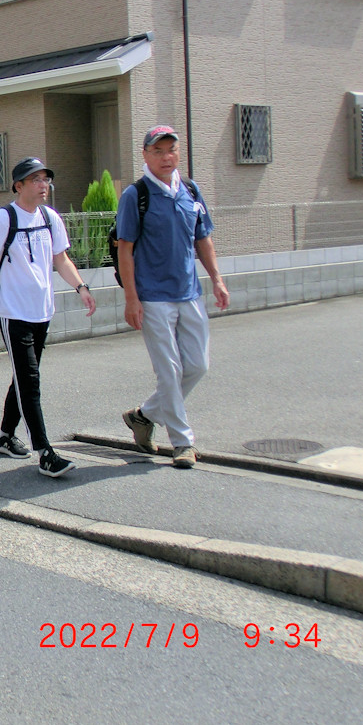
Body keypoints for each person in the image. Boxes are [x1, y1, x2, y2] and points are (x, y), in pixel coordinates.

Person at [0, 157, 96, 478]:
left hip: (42, 311)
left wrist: (81, 287)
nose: (43, 185)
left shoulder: (50, 218)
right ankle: (45, 452)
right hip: (13, 312)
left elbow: (61, 259)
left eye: (45, 179)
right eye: (35, 180)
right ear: (18, 186)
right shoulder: (2, 219)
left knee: (23, 378)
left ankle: (5, 436)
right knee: (29, 380)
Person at [116, 126, 230, 469]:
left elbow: (203, 239)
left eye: (172, 150)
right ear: (145, 155)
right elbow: (125, 249)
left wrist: (217, 279)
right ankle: (183, 442)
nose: (166, 157)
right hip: (153, 297)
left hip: (189, 292)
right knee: (169, 370)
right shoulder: (136, 195)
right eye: (158, 151)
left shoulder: (190, 190)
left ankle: (143, 416)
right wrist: (132, 298)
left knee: (197, 366)